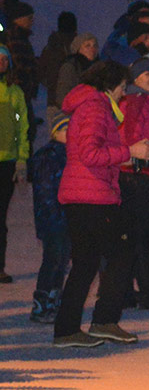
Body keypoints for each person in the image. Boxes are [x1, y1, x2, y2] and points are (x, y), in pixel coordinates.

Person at [54, 60, 147, 347]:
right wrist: (129, 151)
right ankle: (104, 320)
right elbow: (90, 154)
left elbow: (92, 152)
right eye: (122, 86)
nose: (123, 93)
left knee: (85, 263)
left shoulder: (90, 106)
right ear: (110, 84)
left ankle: (66, 330)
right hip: (92, 196)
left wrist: (125, 158)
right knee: (123, 250)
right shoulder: (95, 107)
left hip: (81, 195)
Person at [117, 58, 149, 310]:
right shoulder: (136, 102)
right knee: (141, 237)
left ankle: (127, 292)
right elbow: (129, 137)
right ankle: (146, 293)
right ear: (134, 78)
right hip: (138, 176)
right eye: (146, 74)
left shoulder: (142, 102)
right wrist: (143, 165)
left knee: (131, 236)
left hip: (135, 175)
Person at [27, 109, 71, 323]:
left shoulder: (68, 154)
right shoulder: (49, 156)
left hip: (65, 217)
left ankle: (54, 298)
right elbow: (45, 190)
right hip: (52, 218)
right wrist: (54, 213)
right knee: (52, 259)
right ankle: (41, 302)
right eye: (67, 130)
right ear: (56, 132)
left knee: (62, 260)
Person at [0, 48, 26, 282]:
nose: (1, 63)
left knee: (0, 218)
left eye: (4, 59)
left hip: (6, 161)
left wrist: (21, 159)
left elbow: (22, 127)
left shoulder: (15, 92)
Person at [49, 33, 97, 111]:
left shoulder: (97, 67)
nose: (92, 49)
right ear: (78, 49)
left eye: (95, 46)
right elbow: (62, 96)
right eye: (87, 46)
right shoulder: (70, 66)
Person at [38, 11, 77, 89]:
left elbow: (41, 71)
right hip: (76, 92)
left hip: (55, 92)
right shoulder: (80, 46)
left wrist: (51, 84)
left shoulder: (50, 47)